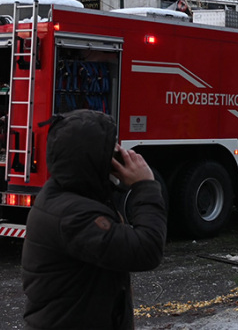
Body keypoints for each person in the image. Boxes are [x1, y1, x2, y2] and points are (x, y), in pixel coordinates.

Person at [21, 109, 167, 329]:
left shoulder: (67, 194)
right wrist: (144, 186)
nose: (120, 153)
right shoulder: (73, 215)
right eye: (112, 148)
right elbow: (147, 249)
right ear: (92, 159)